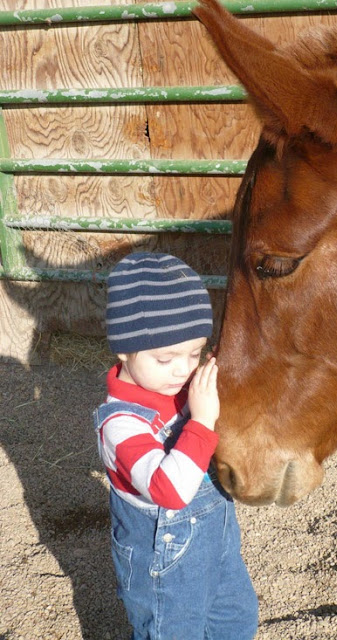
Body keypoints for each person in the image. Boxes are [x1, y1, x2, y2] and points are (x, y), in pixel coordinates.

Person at [93, 252, 258, 640]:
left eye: (194, 353)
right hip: (164, 558)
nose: (183, 370)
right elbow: (169, 491)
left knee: (236, 620)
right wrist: (201, 421)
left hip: (219, 543)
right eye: (165, 358)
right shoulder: (120, 424)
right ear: (124, 349)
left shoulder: (181, 385)